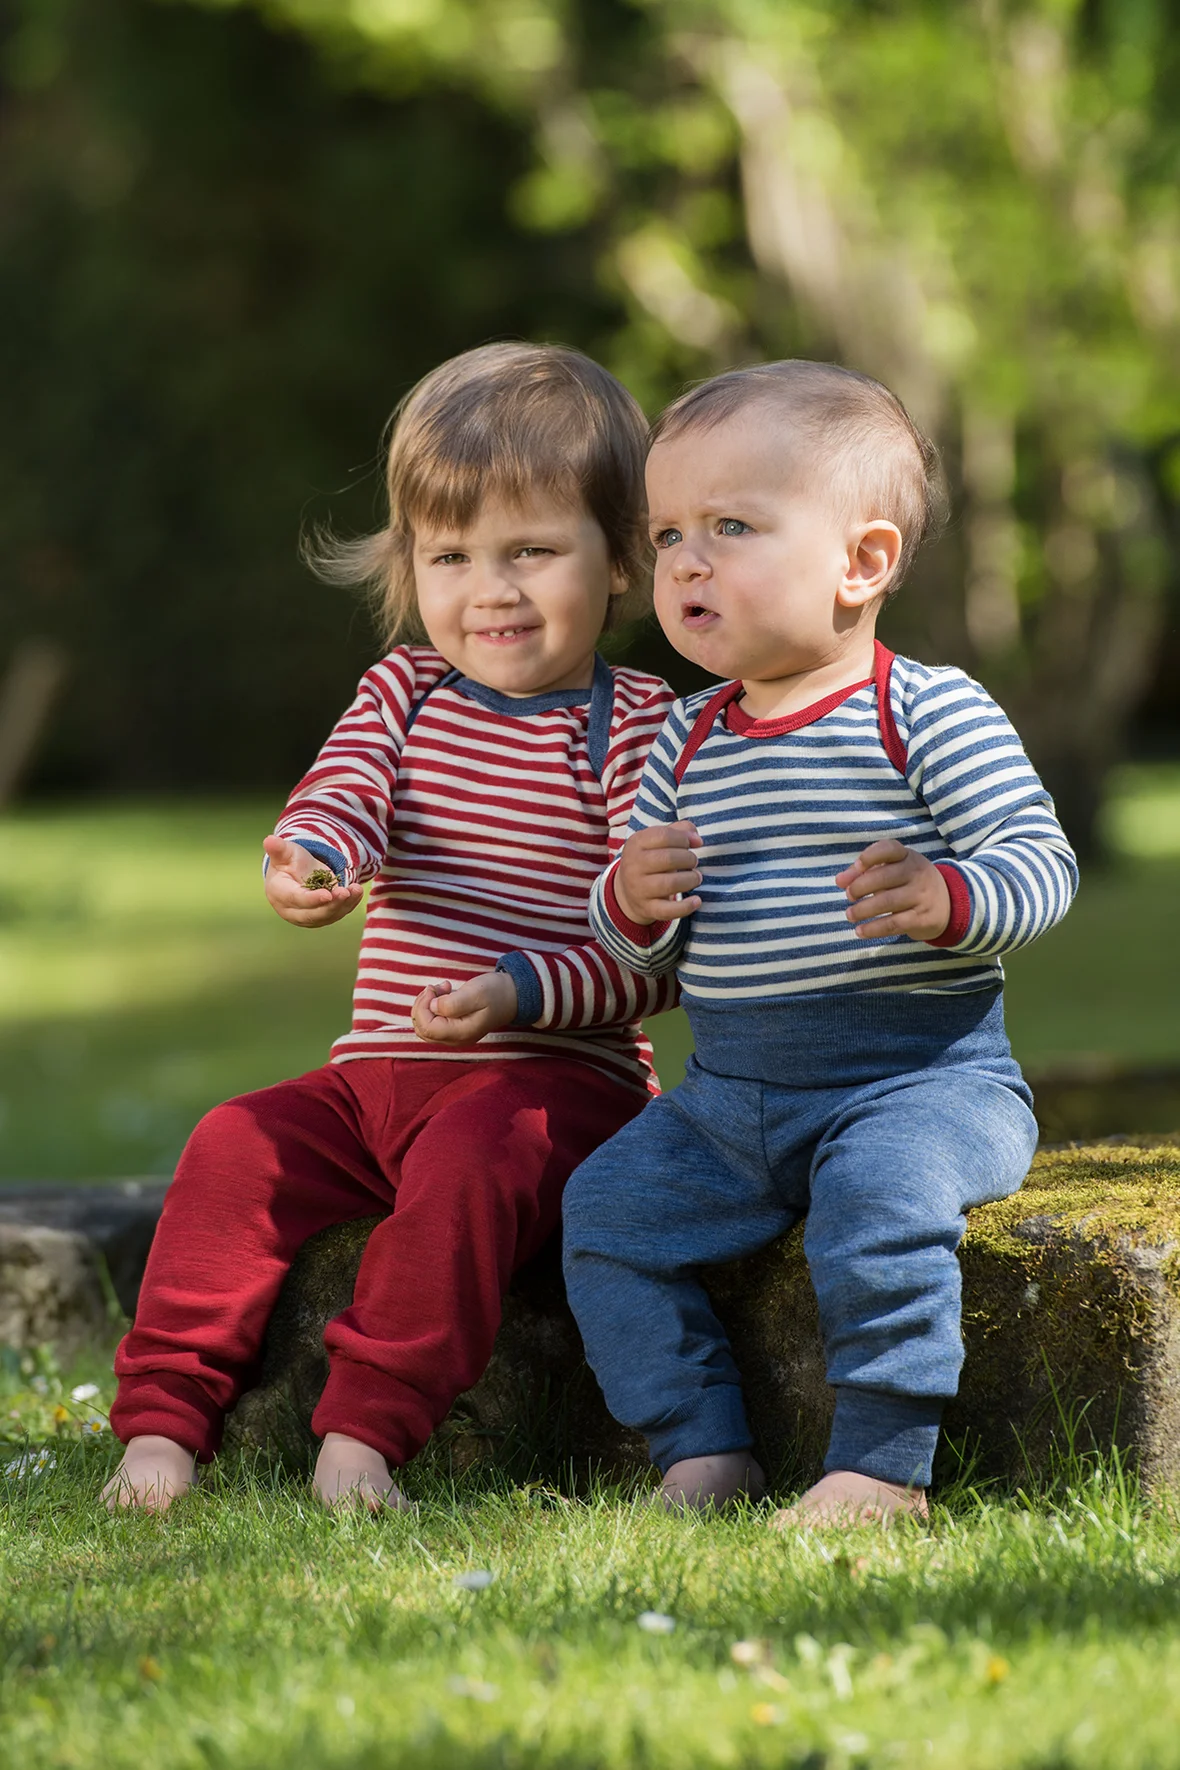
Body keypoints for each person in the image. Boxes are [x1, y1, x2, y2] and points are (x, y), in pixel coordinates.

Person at [105, 342, 677, 1513]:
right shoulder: (401, 692)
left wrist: (521, 993)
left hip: (547, 1087)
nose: (491, 590)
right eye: (451, 555)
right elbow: (345, 795)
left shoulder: (641, 728)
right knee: (232, 1144)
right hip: (375, 1081)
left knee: (475, 1160)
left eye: (531, 551)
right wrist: (309, 859)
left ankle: (364, 1434)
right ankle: (163, 1424)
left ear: (618, 557)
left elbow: (652, 948)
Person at [561, 360, 1079, 1526]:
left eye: (732, 526)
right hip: (731, 1097)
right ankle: (699, 1450)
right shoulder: (682, 740)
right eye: (670, 532)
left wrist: (948, 896)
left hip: (922, 1083)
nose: (686, 561)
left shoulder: (925, 710)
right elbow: (639, 962)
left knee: (881, 1206)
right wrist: (629, 899)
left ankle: (878, 1468)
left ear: (863, 563)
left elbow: (1040, 867)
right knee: (604, 1215)